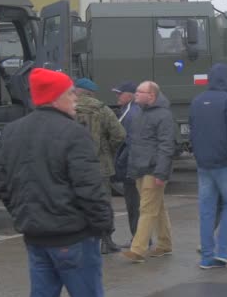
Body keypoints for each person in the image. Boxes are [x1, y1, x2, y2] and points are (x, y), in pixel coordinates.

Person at [0, 68, 113, 297]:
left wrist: (24, 218)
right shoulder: (74, 133)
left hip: (36, 237)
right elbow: (90, 189)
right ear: (55, 97)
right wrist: (104, 225)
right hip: (73, 237)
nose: (76, 99)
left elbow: (5, 186)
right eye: (71, 93)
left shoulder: (12, 132)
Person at [189, 64, 227, 269]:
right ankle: (223, 250)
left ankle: (207, 257)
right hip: (225, 163)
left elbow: (192, 132)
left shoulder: (196, 101)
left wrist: (198, 155)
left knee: (206, 210)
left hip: (204, 164)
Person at [123, 81, 175, 263]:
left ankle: (137, 249)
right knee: (157, 208)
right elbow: (135, 144)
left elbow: (166, 146)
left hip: (153, 170)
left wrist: (161, 173)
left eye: (139, 92)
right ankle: (165, 244)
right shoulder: (140, 113)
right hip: (140, 169)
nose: (135, 94)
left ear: (151, 95)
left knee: (146, 209)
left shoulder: (164, 116)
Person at [74, 78, 126, 254]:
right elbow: (119, 134)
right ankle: (106, 241)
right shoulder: (101, 109)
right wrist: (107, 151)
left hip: (74, 165)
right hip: (100, 166)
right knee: (103, 202)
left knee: (77, 201)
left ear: (77, 91)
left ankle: (81, 240)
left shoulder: (67, 108)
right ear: (91, 93)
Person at [113, 81, 143, 248]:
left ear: (130, 95)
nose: (117, 96)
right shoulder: (128, 111)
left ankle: (139, 238)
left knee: (134, 205)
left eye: (120, 93)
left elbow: (130, 142)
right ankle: (139, 237)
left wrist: (120, 162)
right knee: (134, 205)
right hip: (131, 165)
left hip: (131, 167)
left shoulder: (131, 114)